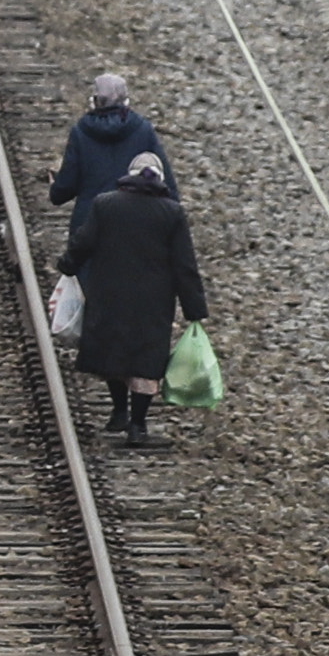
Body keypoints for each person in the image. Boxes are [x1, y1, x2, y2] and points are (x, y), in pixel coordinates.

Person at [57, 147, 207, 443]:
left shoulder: (105, 204)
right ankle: (138, 425)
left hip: (109, 293)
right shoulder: (172, 213)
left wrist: (67, 266)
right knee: (145, 361)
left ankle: (118, 413)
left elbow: (83, 242)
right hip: (153, 301)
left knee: (113, 353)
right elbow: (184, 264)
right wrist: (194, 309)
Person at [48, 70, 172, 213]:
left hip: (90, 220)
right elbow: (164, 181)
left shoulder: (81, 131)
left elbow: (66, 186)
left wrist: (55, 189)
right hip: (133, 219)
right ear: (126, 101)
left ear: (94, 102)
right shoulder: (143, 130)